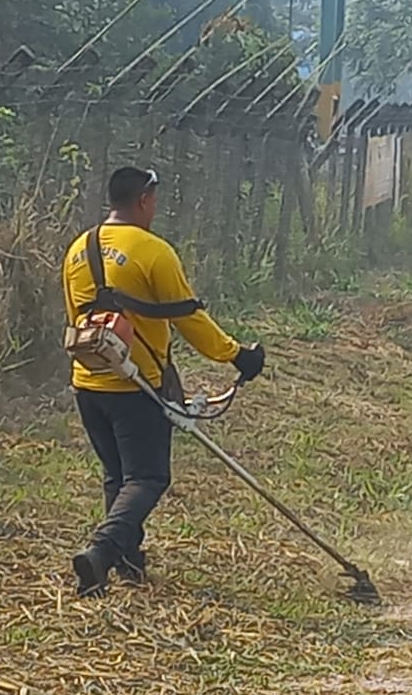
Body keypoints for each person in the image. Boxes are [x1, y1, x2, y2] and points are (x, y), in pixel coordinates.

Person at [62, 166, 266, 597]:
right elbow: (188, 317)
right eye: (154, 199)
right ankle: (100, 553)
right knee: (148, 477)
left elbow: (76, 318)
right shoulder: (153, 252)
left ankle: (125, 561)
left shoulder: (79, 249)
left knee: (118, 476)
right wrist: (238, 355)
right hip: (136, 387)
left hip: (87, 383)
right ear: (143, 201)